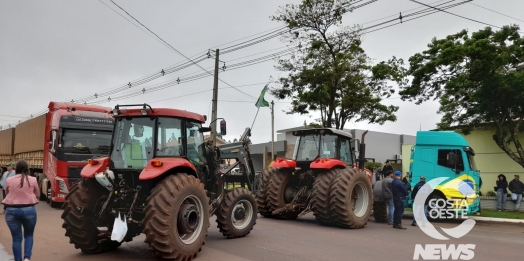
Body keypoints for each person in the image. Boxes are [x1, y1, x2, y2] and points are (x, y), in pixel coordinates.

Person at [2, 160, 39, 261]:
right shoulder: (33, 179)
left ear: (16, 168)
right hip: (29, 210)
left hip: (11, 211)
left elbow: (7, 192)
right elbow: (37, 194)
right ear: (27, 168)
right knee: (29, 234)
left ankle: (17, 260)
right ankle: (27, 258)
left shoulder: (9, 180)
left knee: (16, 238)